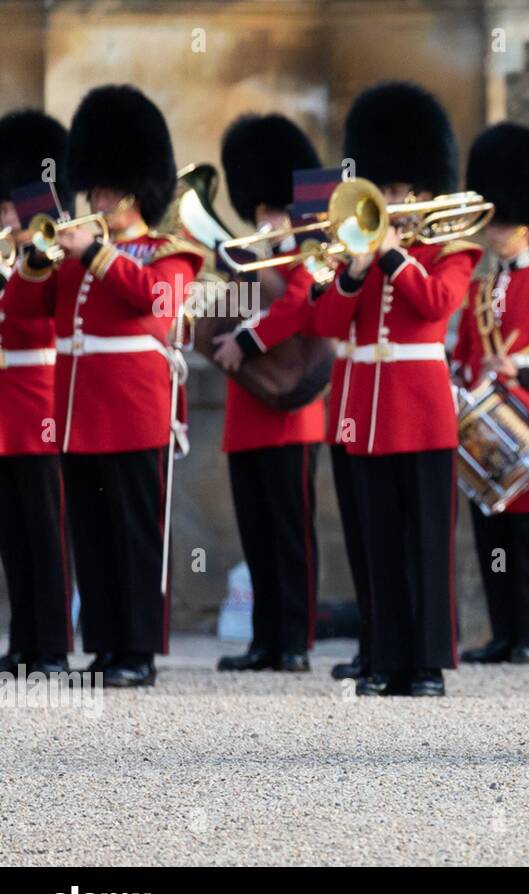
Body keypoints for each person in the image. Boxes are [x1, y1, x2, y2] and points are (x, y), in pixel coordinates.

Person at [3, 85, 203, 688]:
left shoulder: (168, 252)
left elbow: (156, 302)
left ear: (136, 190)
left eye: (108, 190)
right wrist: (35, 260)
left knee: (135, 535)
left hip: (135, 411)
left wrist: (94, 255)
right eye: (93, 188)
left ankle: (138, 650)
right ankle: (107, 645)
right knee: (92, 536)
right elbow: (20, 313)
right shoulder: (71, 256)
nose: (97, 198)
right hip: (78, 413)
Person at [311, 81, 482, 697]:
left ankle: (428, 663)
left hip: (421, 405)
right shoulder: (355, 251)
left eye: (399, 191)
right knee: (378, 538)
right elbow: (326, 325)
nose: (388, 200)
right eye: (383, 190)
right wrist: (355, 272)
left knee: (427, 542)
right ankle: (384, 659)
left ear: (423, 191)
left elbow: (437, 303)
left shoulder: (452, 248)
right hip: (368, 411)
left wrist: (391, 259)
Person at [209, 113, 325, 674]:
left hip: (291, 412)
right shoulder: (249, 261)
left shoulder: (309, 254)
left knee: (290, 532)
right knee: (256, 530)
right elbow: (221, 319)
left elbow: (302, 306)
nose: (265, 220)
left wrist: (246, 341)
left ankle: (295, 641)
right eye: (259, 212)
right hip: (248, 410)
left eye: (273, 211)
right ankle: (265, 640)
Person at [454, 122, 529, 665]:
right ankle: (503, 631)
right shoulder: (480, 286)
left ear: (526, 225)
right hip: (484, 423)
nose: (492, 231)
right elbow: (468, 352)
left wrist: (523, 369)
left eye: (501, 221)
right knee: (491, 529)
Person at [0, 109, 74, 676]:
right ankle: (23, 643)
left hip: (40, 401)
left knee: (47, 533)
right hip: (7, 411)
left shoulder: (48, 259)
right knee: (14, 536)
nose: (5, 219)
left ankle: (53, 646)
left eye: (10, 210)